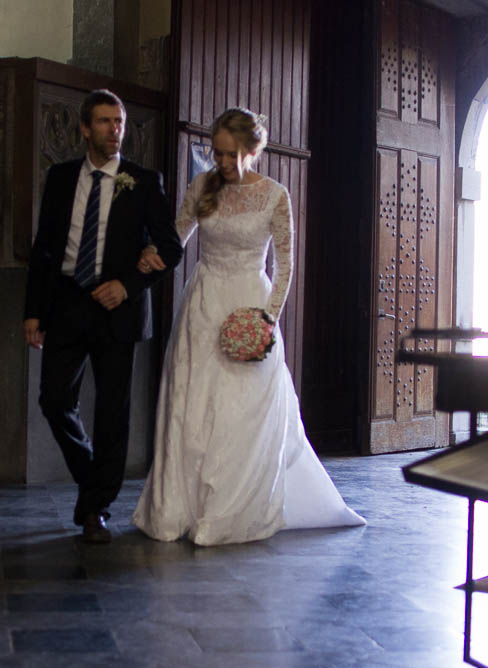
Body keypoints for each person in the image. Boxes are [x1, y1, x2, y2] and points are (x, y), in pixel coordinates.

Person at [132, 107, 365, 546]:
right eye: (216, 153)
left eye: (229, 154)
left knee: (240, 408)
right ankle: (177, 509)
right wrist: (149, 255)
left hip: (249, 305)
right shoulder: (201, 186)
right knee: (193, 402)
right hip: (203, 302)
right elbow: (176, 238)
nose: (220, 162)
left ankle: (228, 513)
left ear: (252, 150)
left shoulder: (275, 195)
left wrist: (267, 319)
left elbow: (286, 264)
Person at [24, 89, 183, 544]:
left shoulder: (143, 180)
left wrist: (128, 285)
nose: (115, 130)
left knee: (113, 414)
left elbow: (170, 248)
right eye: (105, 122)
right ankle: (93, 479)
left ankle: (95, 508)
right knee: (55, 400)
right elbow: (45, 249)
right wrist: (33, 311)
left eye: (120, 121)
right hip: (68, 303)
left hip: (119, 308)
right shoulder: (59, 178)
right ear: (84, 128)